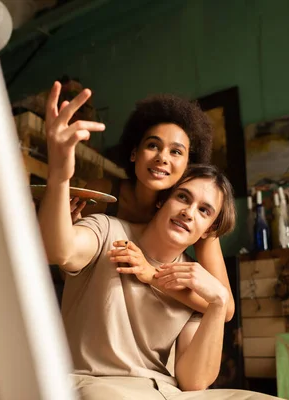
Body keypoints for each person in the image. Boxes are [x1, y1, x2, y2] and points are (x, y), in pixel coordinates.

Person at [45, 82, 236, 321]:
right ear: (134, 153)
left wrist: (154, 276)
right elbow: (68, 266)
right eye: (153, 145)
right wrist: (67, 227)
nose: (162, 158)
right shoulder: (103, 193)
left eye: (176, 152)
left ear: (189, 166)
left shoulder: (191, 214)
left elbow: (225, 309)